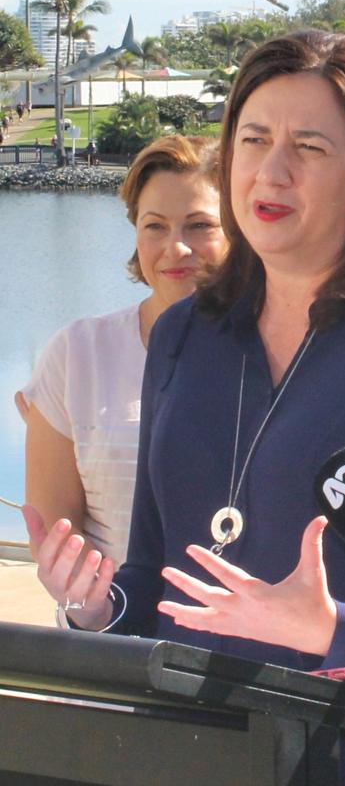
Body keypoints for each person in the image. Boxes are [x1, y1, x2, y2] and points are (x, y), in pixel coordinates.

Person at [24, 30, 345, 786]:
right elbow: (151, 576)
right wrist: (97, 606)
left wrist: (335, 626)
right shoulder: (182, 335)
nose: (271, 170)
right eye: (254, 139)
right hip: (185, 754)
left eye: (309, 146)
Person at [18, 135, 222, 567]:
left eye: (200, 225)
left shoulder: (286, 353)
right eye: (155, 226)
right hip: (115, 627)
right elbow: (58, 534)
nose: (176, 247)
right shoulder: (76, 356)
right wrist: (99, 611)